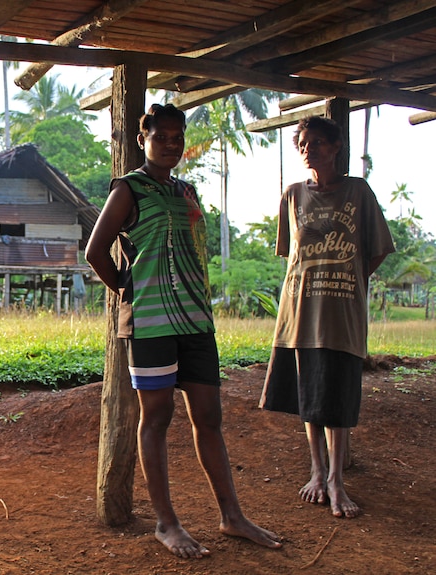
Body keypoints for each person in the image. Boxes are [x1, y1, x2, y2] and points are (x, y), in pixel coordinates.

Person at [85, 103, 283, 559]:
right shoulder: (128, 189)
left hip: (195, 320)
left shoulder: (187, 191)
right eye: (162, 137)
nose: (171, 145)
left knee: (209, 418)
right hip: (152, 324)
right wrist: (127, 291)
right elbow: (96, 251)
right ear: (143, 139)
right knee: (155, 419)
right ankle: (166, 523)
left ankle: (231, 516)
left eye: (178, 138)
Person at [260, 116, 395, 519]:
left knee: (338, 395)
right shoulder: (293, 195)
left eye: (318, 142)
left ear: (337, 147)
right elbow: (293, 257)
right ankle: (317, 472)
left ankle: (337, 479)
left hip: (342, 314)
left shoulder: (358, 192)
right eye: (303, 143)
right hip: (300, 311)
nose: (309, 149)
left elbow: (377, 250)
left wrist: (349, 279)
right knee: (309, 396)